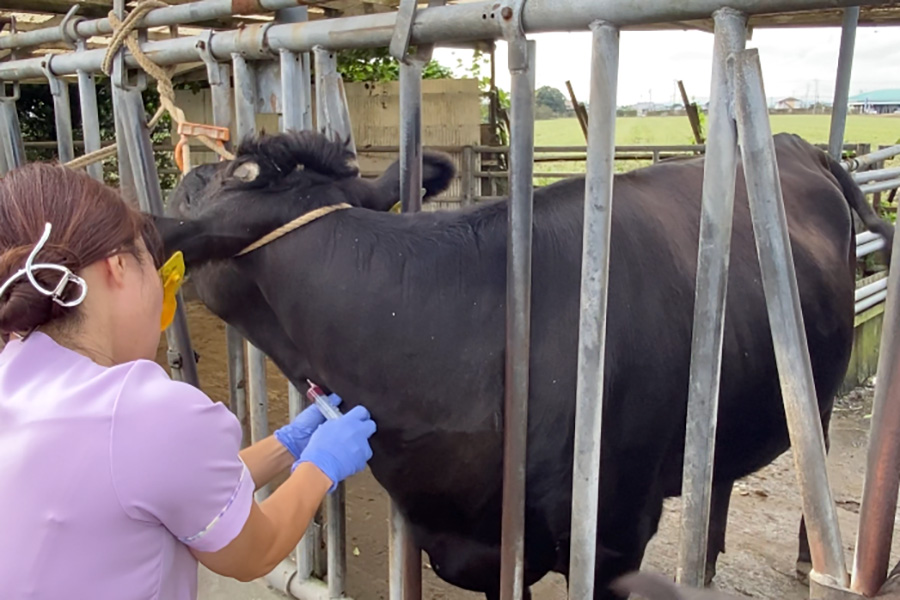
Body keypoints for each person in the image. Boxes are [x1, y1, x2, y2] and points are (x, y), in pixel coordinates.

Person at [0, 162, 377, 600]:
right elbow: (255, 550)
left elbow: (168, 485)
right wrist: (320, 467)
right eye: (164, 278)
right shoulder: (146, 410)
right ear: (118, 266)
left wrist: (287, 445)